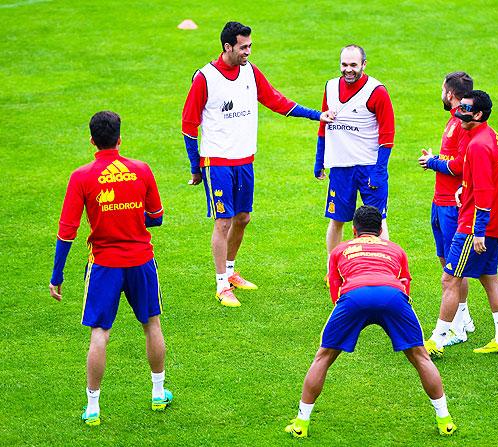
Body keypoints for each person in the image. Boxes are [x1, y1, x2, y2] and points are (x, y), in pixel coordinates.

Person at [182, 21, 334, 307]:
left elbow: (276, 100)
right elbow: (189, 125)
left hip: (245, 160)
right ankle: (220, 285)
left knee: (243, 218)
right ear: (227, 47)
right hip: (216, 162)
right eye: (243, 47)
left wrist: (317, 115)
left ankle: (230, 272)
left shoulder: (250, 71)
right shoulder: (205, 78)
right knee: (223, 221)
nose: (248, 52)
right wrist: (195, 166)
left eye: (250, 46)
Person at [284, 206, 456, 438]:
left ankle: (301, 424)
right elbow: (405, 284)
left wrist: (346, 313)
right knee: (420, 356)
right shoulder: (396, 250)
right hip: (393, 296)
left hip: (354, 297)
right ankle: (445, 420)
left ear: (354, 230)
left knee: (323, 357)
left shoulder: (340, 250)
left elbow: (335, 288)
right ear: (380, 229)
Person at [49, 111, 171, 426]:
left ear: (92, 140)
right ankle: (158, 392)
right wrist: (131, 218)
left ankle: (93, 407)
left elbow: (67, 231)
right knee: (152, 325)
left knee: (100, 334)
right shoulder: (141, 170)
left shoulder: (82, 177)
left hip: (104, 265)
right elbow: (156, 216)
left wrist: (57, 276)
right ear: (119, 138)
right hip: (141, 261)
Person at [427, 90, 498, 357]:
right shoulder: (490, 136)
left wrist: (478, 231)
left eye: (465, 109)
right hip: (492, 224)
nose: (459, 113)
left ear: (478, 114)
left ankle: (437, 340)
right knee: (489, 278)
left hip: (474, 225)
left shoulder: (477, 146)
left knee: (450, 278)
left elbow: (485, 192)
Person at [314, 44, 395, 268]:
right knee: (337, 219)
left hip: (369, 166)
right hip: (341, 166)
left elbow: (387, 135)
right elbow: (323, 124)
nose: (348, 70)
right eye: (344, 65)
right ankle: (334, 269)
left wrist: (379, 170)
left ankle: (384, 270)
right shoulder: (330, 87)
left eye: (353, 65)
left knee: (378, 220)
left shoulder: (376, 91)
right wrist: (319, 158)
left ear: (364, 65)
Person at [418, 72, 476, 350]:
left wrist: (433, 163)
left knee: (454, 269)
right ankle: (464, 318)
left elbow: (460, 166)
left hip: (452, 205)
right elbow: (452, 159)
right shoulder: (453, 120)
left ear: (450, 93)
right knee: (445, 260)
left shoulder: (463, 123)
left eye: (442, 89)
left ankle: (456, 329)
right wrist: (436, 158)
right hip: (439, 201)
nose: (440, 93)